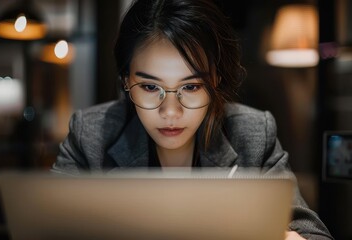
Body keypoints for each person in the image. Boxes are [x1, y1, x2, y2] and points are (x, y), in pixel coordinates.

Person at [52, 0, 333, 239]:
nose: (171, 112)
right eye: (151, 87)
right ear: (126, 81)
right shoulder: (90, 134)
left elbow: (311, 233)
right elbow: (47, 227)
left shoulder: (251, 133)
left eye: (191, 87)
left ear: (215, 81)